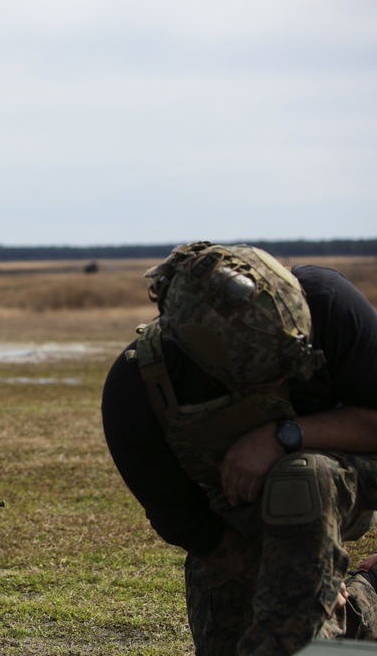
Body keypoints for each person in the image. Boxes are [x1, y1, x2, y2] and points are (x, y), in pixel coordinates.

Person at [101, 241, 377, 655]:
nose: (287, 383)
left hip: (346, 475)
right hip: (238, 511)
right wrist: (284, 579)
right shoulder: (137, 391)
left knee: (301, 479)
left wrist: (283, 435)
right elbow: (185, 521)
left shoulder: (328, 302)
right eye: (269, 377)